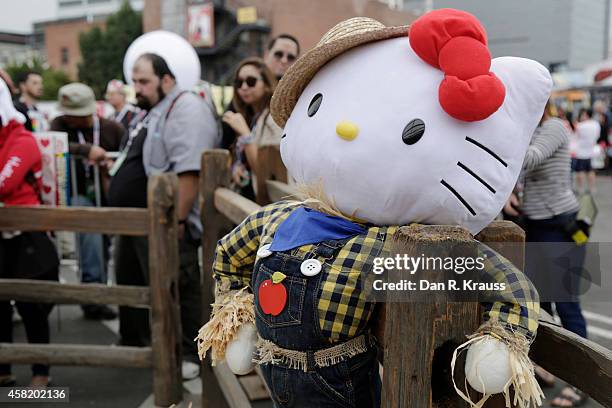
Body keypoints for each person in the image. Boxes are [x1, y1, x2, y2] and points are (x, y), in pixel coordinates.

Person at [107, 53, 219, 379]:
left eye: (144, 81)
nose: (137, 89)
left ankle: (189, 352)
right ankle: (146, 343)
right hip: (146, 218)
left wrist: (179, 221)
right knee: (145, 282)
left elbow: (189, 173)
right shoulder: (159, 109)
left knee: (179, 283)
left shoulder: (186, 108)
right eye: (135, 82)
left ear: (166, 80)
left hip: (171, 223)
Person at [504, 102, 587, 407]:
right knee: (541, 304)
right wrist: (511, 192)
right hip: (535, 226)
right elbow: (518, 174)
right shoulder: (530, 131)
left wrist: (497, 146)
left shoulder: (553, 127)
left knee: (567, 305)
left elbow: (531, 158)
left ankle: (581, 382)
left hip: (561, 226)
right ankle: (548, 367)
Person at [0, 77, 59, 387]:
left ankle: (40, 371)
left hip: (27, 235)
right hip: (3, 236)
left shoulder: (22, 139)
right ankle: (4, 366)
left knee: (31, 305)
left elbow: (4, 183)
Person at [50, 83, 123, 320]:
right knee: (90, 239)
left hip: (111, 192)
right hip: (80, 192)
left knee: (107, 245)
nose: (70, 118)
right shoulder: (60, 124)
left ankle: (103, 293)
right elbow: (53, 143)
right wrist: (86, 150)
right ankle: (93, 297)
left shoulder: (113, 128)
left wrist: (112, 164)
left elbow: (128, 151)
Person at [221, 58, 278, 200]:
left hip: (269, 203)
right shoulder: (249, 115)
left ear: (266, 84)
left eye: (251, 81)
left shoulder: (274, 118)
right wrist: (237, 168)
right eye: (239, 83)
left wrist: (245, 134)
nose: (244, 87)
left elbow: (265, 172)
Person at [573, 108, 599, 193]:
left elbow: (576, 137)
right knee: (590, 171)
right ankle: (592, 188)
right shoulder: (596, 124)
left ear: (586, 115)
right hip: (591, 151)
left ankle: (580, 188)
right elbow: (597, 136)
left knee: (580, 171)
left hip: (580, 151)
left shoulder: (580, 126)